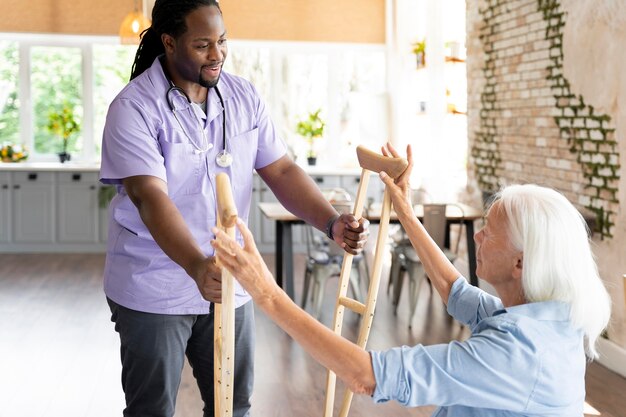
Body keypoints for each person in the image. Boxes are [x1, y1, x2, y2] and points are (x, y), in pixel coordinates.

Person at [99, 1, 369, 416]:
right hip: (154, 283)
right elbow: (150, 197)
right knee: (151, 409)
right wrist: (195, 265)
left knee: (234, 405)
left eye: (222, 41)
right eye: (203, 44)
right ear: (169, 43)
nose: (218, 54)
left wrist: (331, 222)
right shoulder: (133, 108)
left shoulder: (243, 96)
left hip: (229, 280)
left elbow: (280, 169)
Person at [211, 142, 612, 416]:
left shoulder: (518, 353)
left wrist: (266, 292)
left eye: (488, 232)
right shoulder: (544, 319)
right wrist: (403, 208)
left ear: (521, 264)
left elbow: (367, 376)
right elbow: (454, 289)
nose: (476, 236)